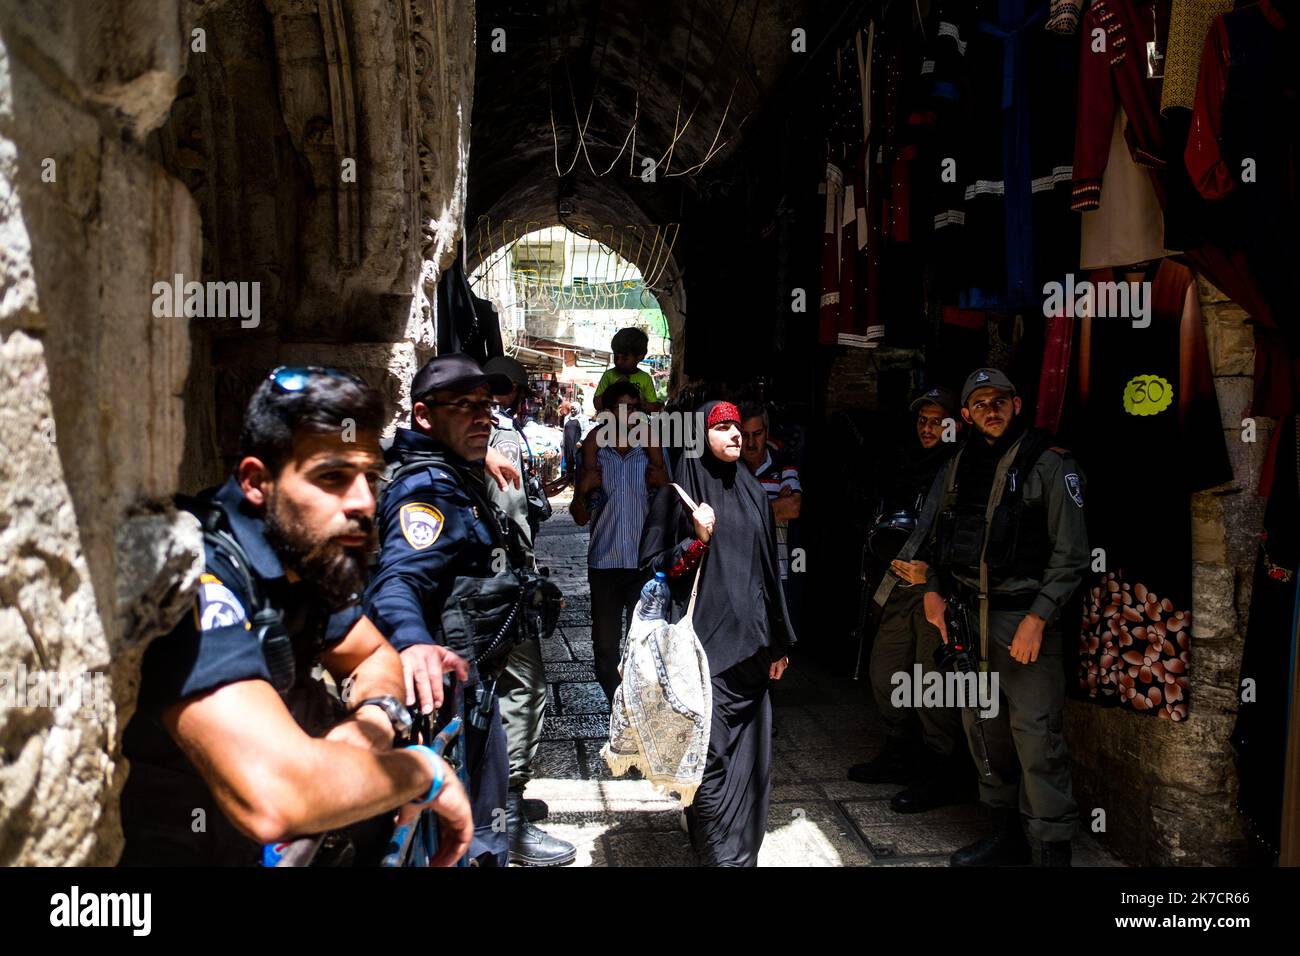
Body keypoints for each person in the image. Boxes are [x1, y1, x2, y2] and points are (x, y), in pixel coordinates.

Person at [119, 366, 473, 866]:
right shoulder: (196, 573)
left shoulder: (302, 551)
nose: (363, 503)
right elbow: (276, 796)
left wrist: (371, 724)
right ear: (257, 482)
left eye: (369, 477)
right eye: (332, 477)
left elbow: (373, 655)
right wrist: (421, 772)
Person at [364, 354, 537, 867]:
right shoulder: (430, 488)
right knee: (471, 835)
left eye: (486, 406)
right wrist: (414, 642)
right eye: (464, 406)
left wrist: (473, 456)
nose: (482, 416)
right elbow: (398, 578)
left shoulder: (447, 470)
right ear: (424, 415)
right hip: (451, 695)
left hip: (472, 686)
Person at [918, 368, 1088, 867]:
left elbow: (1072, 554)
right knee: (983, 730)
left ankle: (1052, 851)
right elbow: (940, 535)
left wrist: (1040, 617)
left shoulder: (1051, 463)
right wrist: (933, 591)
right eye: (981, 402)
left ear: (1017, 405)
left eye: (1000, 400)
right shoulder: (960, 463)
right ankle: (1004, 834)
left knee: (1037, 738)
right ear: (966, 414)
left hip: (1024, 622)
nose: (991, 410)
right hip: (971, 620)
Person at [639, 400, 796, 866]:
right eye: (721, 427)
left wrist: (779, 642)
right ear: (699, 435)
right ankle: (717, 855)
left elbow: (769, 571)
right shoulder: (680, 493)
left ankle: (739, 853)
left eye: (737, 427)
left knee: (751, 762)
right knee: (710, 759)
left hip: (753, 648)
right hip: (704, 652)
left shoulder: (751, 490)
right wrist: (697, 540)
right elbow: (655, 564)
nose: (734, 435)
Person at [848, 387, 973, 814]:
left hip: (938, 589)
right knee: (885, 673)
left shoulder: (964, 468)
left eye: (938, 421)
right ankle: (899, 752)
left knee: (931, 683)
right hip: (898, 585)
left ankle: (941, 770)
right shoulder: (904, 464)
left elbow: (973, 537)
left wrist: (933, 572)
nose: (928, 428)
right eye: (923, 420)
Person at [480, 355, 576, 866]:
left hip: (478, 592)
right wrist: (528, 583)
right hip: (495, 593)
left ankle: (493, 806)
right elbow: (515, 522)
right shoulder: (501, 438)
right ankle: (507, 819)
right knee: (524, 690)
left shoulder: (467, 437)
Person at [571, 379, 667, 704]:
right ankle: (618, 708)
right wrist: (583, 489)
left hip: (643, 566)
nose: (630, 415)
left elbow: (669, 500)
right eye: (622, 409)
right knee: (605, 651)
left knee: (642, 647)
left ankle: (636, 714)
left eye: (635, 408)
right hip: (604, 564)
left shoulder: (650, 451)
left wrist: (664, 479)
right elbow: (580, 516)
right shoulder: (595, 452)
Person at [738, 403, 802, 629]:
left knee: (775, 643)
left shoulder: (783, 461)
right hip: (739, 570)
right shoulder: (729, 466)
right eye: (744, 435)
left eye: (757, 434)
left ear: (767, 432)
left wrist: (741, 510)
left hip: (777, 569)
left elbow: (793, 507)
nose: (751, 442)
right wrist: (774, 505)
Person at [592, 327, 662, 412]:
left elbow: (653, 407)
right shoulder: (609, 375)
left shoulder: (645, 379)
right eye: (616, 357)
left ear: (640, 357)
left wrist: (636, 401)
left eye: (625, 358)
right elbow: (597, 404)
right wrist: (614, 390)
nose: (619, 362)